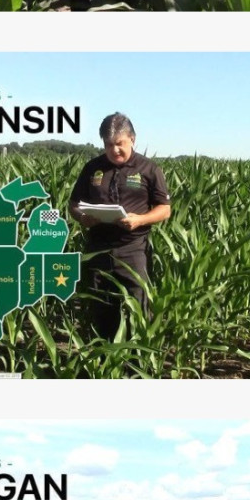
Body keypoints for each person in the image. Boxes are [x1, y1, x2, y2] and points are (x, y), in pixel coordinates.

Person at [69, 111, 172, 340]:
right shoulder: (92, 168)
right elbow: (74, 204)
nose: (114, 150)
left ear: (132, 140)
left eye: (119, 144)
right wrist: (82, 217)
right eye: (108, 145)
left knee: (139, 307)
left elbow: (164, 209)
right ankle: (105, 363)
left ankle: (137, 363)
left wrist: (140, 220)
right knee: (101, 307)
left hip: (133, 249)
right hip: (98, 248)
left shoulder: (148, 169)